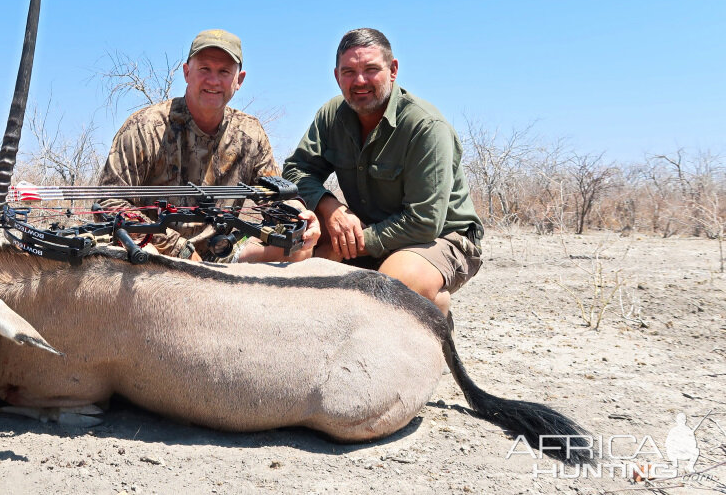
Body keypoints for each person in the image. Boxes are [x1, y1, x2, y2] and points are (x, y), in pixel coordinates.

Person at [283, 28, 483, 314]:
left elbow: (424, 221)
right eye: (349, 71)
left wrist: (349, 245)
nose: (359, 81)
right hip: (371, 230)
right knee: (295, 242)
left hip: (442, 239)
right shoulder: (332, 114)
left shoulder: (425, 126)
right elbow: (295, 171)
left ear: (393, 70)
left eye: (371, 69)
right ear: (336, 75)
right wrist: (330, 208)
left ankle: (433, 325)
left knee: (390, 288)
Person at [99, 29, 319, 262]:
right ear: (186, 72)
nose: (213, 81)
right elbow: (108, 203)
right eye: (204, 69)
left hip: (222, 253)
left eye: (224, 71)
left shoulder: (250, 132)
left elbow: (273, 198)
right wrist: (177, 248)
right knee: (144, 255)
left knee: (301, 247)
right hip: (160, 252)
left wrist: (298, 214)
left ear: (239, 80)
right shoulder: (145, 126)